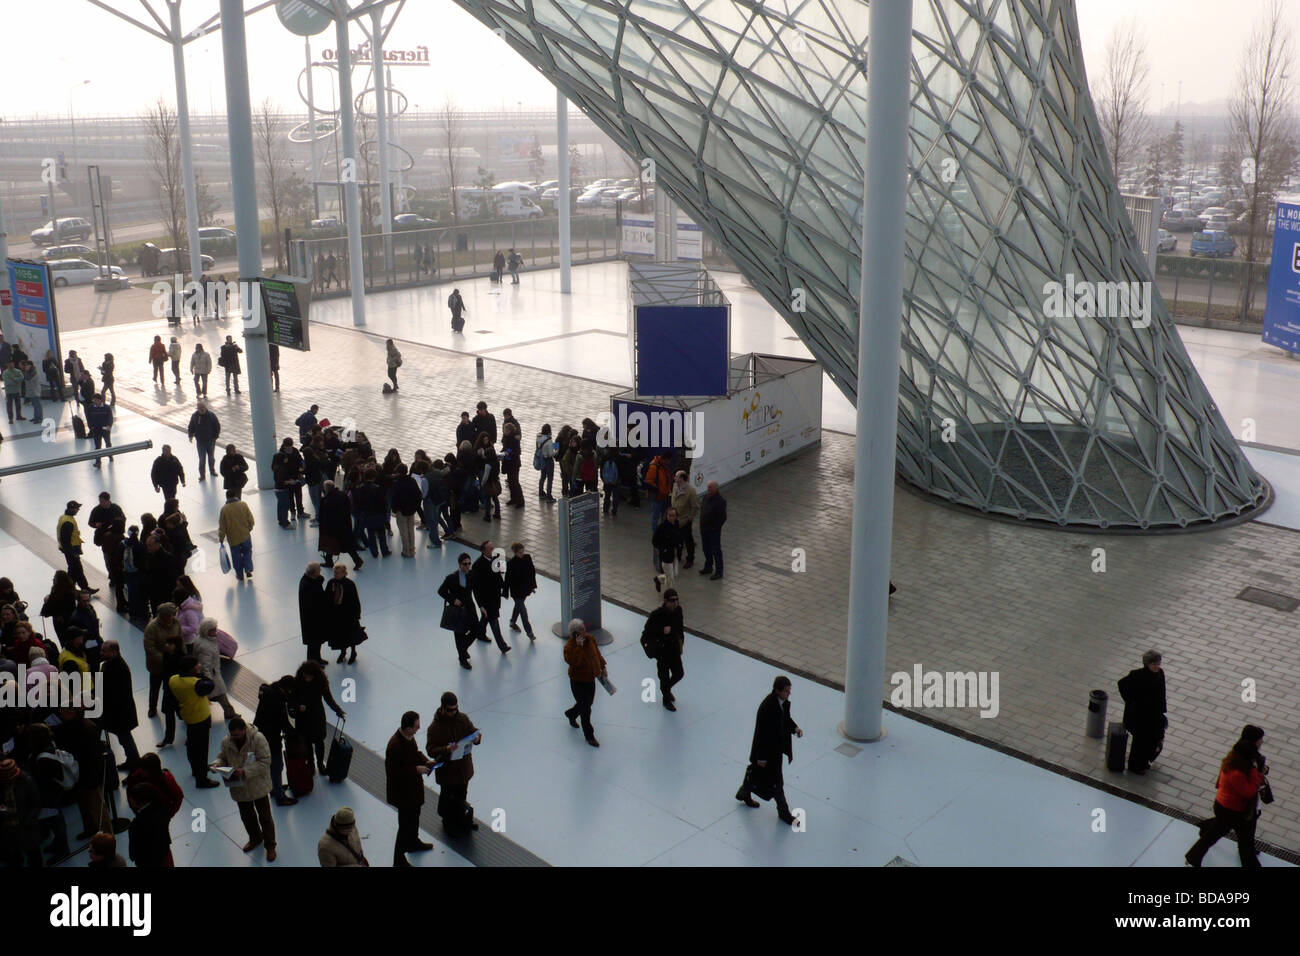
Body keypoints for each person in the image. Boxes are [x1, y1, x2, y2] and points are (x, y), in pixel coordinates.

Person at [1185, 726, 1269, 868]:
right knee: (1236, 840)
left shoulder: (1237, 759)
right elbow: (1248, 791)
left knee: (1220, 832)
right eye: (1260, 740)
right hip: (1233, 810)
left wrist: (1258, 770)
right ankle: (1194, 855)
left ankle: (1196, 850)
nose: (1262, 742)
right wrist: (1258, 774)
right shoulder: (1236, 772)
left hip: (1232, 808)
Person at [735, 675, 803, 825]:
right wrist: (761, 757)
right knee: (777, 783)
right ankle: (784, 813)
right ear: (777, 691)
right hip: (767, 753)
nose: (789, 693)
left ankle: (744, 791)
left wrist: (794, 728)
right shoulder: (768, 708)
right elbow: (762, 734)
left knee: (758, 775)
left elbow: (786, 719)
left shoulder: (781, 703)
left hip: (774, 751)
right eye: (786, 691)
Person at [213, 716, 276, 861]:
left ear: (244, 730)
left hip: (258, 785)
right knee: (247, 817)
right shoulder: (227, 741)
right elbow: (222, 756)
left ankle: (270, 846)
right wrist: (217, 763)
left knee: (265, 817)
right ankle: (255, 838)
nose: (234, 738)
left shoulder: (258, 739)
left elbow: (265, 761)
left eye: (237, 735)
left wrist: (245, 772)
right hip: (239, 787)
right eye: (232, 735)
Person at [425, 692, 482, 836]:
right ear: (443, 708)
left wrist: (476, 738)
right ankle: (448, 823)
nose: (454, 712)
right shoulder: (435, 727)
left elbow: (473, 731)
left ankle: (463, 820)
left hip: (463, 768)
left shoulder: (462, 719)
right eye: (450, 710)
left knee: (462, 794)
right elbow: (430, 750)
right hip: (448, 772)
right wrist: (446, 749)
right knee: (448, 798)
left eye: (456, 709)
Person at [386, 711, 434, 867]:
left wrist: (426, 762)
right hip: (403, 794)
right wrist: (416, 770)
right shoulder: (394, 746)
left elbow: (415, 753)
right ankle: (398, 859)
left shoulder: (408, 737)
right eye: (416, 727)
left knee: (414, 818)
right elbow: (394, 772)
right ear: (407, 728)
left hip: (413, 790)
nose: (418, 729)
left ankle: (414, 842)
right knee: (405, 826)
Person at [169, 655, 218, 788]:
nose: (199, 667)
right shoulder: (195, 684)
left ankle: (196, 769)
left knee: (192, 746)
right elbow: (210, 684)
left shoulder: (173, 680)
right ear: (192, 670)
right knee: (201, 749)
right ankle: (202, 779)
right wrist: (201, 675)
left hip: (188, 717)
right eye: (197, 666)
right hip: (200, 718)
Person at [1118, 650, 1167, 775]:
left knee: (1153, 738)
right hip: (1139, 716)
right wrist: (1130, 702)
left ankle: (1145, 761)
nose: (1156, 667)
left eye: (1158, 664)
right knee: (1140, 741)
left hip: (1154, 714)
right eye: (1154, 664)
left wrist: (1162, 712)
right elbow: (1122, 684)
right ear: (1147, 664)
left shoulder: (1160, 674)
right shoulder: (1137, 675)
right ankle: (1135, 765)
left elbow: (1161, 694)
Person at [252, 675, 298, 807]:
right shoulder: (277, 699)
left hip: (260, 732)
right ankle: (280, 797)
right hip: (271, 737)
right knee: (277, 765)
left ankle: (274, 788)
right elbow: (283, 721)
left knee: (271, 764)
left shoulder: (269, 691)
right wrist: (295, 734)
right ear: (287, 689)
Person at [99, 639, 141, 771]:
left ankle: (135, 762)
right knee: (124, 738)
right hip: (117, 711)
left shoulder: (118, 668)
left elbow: (115, 692)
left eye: (104, 651)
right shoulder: (109, 664)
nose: (101, 653)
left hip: (120, 713)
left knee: (125, 738)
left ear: (114, 652)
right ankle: (132, 760)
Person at [563, 619, 606, 747]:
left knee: (587, 703)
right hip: (578, 681)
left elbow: (597, 654)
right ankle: (589, 735)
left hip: (591, 678)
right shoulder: (569, 647)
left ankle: (571, 713)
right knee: (586, 709)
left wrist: (603, 667)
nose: (584, 630)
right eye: (581, 629)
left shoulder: (590, 639)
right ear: (575, 633)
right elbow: (575, 663)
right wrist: (579, 647)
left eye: (584, 627)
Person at [643, 589, 685, 711]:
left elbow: (680, 627)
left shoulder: (678, 610)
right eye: (672, 600)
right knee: (664, 676)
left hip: (674, 649)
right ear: (665, 601)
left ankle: (665, 689)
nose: (675, 602)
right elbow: (647, 632)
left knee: (679, 673)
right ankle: (666, 699)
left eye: (677, 599)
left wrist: (681, 641)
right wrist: (662, 630)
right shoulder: (657, 614)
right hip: (662, 651)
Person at [438, 554, 479, 670]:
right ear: (460, 564)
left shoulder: (471, 575)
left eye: (469, 564)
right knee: (459, 634)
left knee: (476, 629)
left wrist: (481, 606)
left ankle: (463, 649)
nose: (467, 566)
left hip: (470, 607)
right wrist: (453, 600)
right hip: (458, 610)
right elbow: (441, 591)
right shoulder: (451, 578)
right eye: (465, 564)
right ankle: (462, 657)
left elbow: (476, 591)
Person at [0, 758, 42, 868]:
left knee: (33, 856)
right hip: (9, 827)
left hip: (26, 826)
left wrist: (28, 821)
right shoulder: (3, 784)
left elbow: (36, 804)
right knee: (14, 858)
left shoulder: (26, 781)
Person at [470, 542, 511, 654]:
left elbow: (499, 575)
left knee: (485, 618)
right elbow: (476, 588)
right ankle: (502, 645)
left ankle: (480, 633)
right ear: (484, 551)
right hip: (486, 599)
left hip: (495, 596)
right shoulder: (477, 566)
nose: (493, 550)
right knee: (494, 620)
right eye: (491, 548)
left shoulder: (496, 558)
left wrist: (504, 589)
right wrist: (480, 605)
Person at [195, 618, 237, 721]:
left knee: (213, 696)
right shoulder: (205, 646)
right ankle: (230, 713)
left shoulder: (203, 640)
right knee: (221, 695)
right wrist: (209, 680)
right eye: (213, 630)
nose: (216, 632)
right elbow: (205, 665)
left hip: (213, 674)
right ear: (206, 631)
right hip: (213, 676)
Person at [318, 480, 364, 570]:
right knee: (348, 545)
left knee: (330, 544)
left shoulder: (326, 500)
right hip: (345, 525)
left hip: (332, 528)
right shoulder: (342, 495)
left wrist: (323, 529)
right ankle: (357, 560)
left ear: (326, 489)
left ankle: (329, 562)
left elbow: (324, 517)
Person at [126, 783, 174, 867]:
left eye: (132, 799)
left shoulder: (137, 825)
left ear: (141, 802)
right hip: (163, 852)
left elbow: (134, 851)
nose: (129, 800)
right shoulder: (162, 810)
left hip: (146, 861)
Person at [324, 565, 363, 664]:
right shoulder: (331, 583)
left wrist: (357, 614)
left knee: (351, 635)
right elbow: (327, 597)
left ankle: (353, 652)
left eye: (337, 572)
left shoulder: (350, 584)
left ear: (343, 573)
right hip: (336, 615)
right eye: (334, 572)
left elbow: (355, 600)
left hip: (348, 615)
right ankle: (343, 652)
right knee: (340, 635)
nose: (335, 574)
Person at [56, 500, 96, 592]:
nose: (78, 509)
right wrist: (73, 553)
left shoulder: (64, 517)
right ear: (72, 509)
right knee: (77, 570)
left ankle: (75, 588)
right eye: (77, 508)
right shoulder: (68, 522)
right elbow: (65, 540)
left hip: (70, 549)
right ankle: (81, 588)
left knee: (74, 570)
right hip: (71, 550)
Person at [218, 490, 256, 583]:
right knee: (247, 552)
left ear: (227, 497)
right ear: (235, 495)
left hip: (233, 538)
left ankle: (239, 574)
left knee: (236, 556)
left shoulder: (224, 510)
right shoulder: (243, 504)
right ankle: (248, 569)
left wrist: (221, 538)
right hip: (245, 535)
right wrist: (249, 528)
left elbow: (222, 526)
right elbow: (250, 519)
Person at [504, 542, 538, 641]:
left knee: (518, 606)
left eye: (523, 551)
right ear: (515, 553)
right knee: (523, 612)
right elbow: (507, 579)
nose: (522, 554)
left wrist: (532, 586)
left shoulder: (527, 558)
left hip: (525, 590)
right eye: (520, 552)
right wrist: (505, 592)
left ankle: (512, 622)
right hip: (516, 592)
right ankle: (530, 633)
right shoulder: (511, 564)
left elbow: (532, 572)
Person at [272, 437, 306, 528]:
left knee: (298, 495)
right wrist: (289, 481)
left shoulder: (295, 451)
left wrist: (301, 470)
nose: (289, 448)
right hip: (288, 480)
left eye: (290, 446)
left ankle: (300, 512)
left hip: (296, 477)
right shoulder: (280, 455)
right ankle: (292, 513)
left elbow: (300, 460)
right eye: (288, 447)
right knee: (289, 498)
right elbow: (278, 475)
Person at [391, 464, 422, 558]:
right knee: (411, 530)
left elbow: (394, 498)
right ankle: (412, 550)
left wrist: (395, 509)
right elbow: (418, 494)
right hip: (411, 510)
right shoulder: (412, 481)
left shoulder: (397, 483)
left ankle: (406, 551)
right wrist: (415, 506)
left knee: (403, 531)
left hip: (401, 511)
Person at [698, 480, 727, 580]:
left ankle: (719, 571)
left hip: (713, 531)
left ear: (716, 488)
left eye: (710, 487)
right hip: (704, 529)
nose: (708, 489)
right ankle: (708, 566)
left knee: (716, 550)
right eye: (708, 487)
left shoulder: (720, 501)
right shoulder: (706, 497)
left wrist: (715, 528)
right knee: (706, 549)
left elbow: (723, 517)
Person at [670, 471, 699, 568]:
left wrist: (689, 518)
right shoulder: (675, 486)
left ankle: (690, 559)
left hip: (684, 520)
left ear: (682, 478)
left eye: (676, 476)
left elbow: (695, 506)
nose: (674, 478)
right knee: (677, 539)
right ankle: (677, 557)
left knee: (688, 540)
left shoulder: (691, 490)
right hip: (674, 519)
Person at [187, 400, 221, 481]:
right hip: (200, 442)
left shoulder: (211, 415)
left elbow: (217, 426)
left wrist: (215, 437)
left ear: (205, 407)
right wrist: (190, 435)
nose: (202, 409)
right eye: (200, 408)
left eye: (203, 407)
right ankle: (202, 475)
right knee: (202, 459)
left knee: (211, 458)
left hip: (211, 441)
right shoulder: (195, 416)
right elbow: (191, 426)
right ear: (197, 408)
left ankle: (212, 471)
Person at [652, 506, 681, 594]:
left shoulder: (676, 524)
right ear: (666, 516)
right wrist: (662, 549)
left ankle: (659, 579)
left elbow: (677, 536)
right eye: (670, 515)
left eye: (673, 516)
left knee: (675, 573)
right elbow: (654, 540)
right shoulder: (662, 527)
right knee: (671, 578)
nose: (671, 518)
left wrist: (679, 545)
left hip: (675, 554)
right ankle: (669, 594)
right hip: (666, 555)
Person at [644, 452, 673, 530]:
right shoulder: (654, 467)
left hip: (664, 495)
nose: (670, 462)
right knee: (655, 516)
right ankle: (656, 534)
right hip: (657, 495)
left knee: (663, 515)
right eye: (669, 460)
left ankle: (662, 532)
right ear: (666, 459)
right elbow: (649, 481)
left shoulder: (664, 466)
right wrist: (659, 490)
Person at [86, 394, 114, 468]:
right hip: (96, 429)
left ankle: (110, 455)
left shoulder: (106, 408)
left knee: (108, 443)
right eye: (93, 400)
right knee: (97, 446)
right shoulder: (91, 408)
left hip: (105, 429)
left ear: (100, 400)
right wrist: (90, 427)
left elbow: (110, 417)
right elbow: (88, 418)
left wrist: (109, 425)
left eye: (95, 400)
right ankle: (98, 462)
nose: (94, 402)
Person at [535, 424, 557, 501]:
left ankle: (541, 492)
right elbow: (551, 454)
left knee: (543, 476)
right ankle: (549, 496)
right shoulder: (549, 440)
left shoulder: (538, 437)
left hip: (541, 459)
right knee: (550, 478)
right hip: (548, 460)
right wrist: (556, 450)